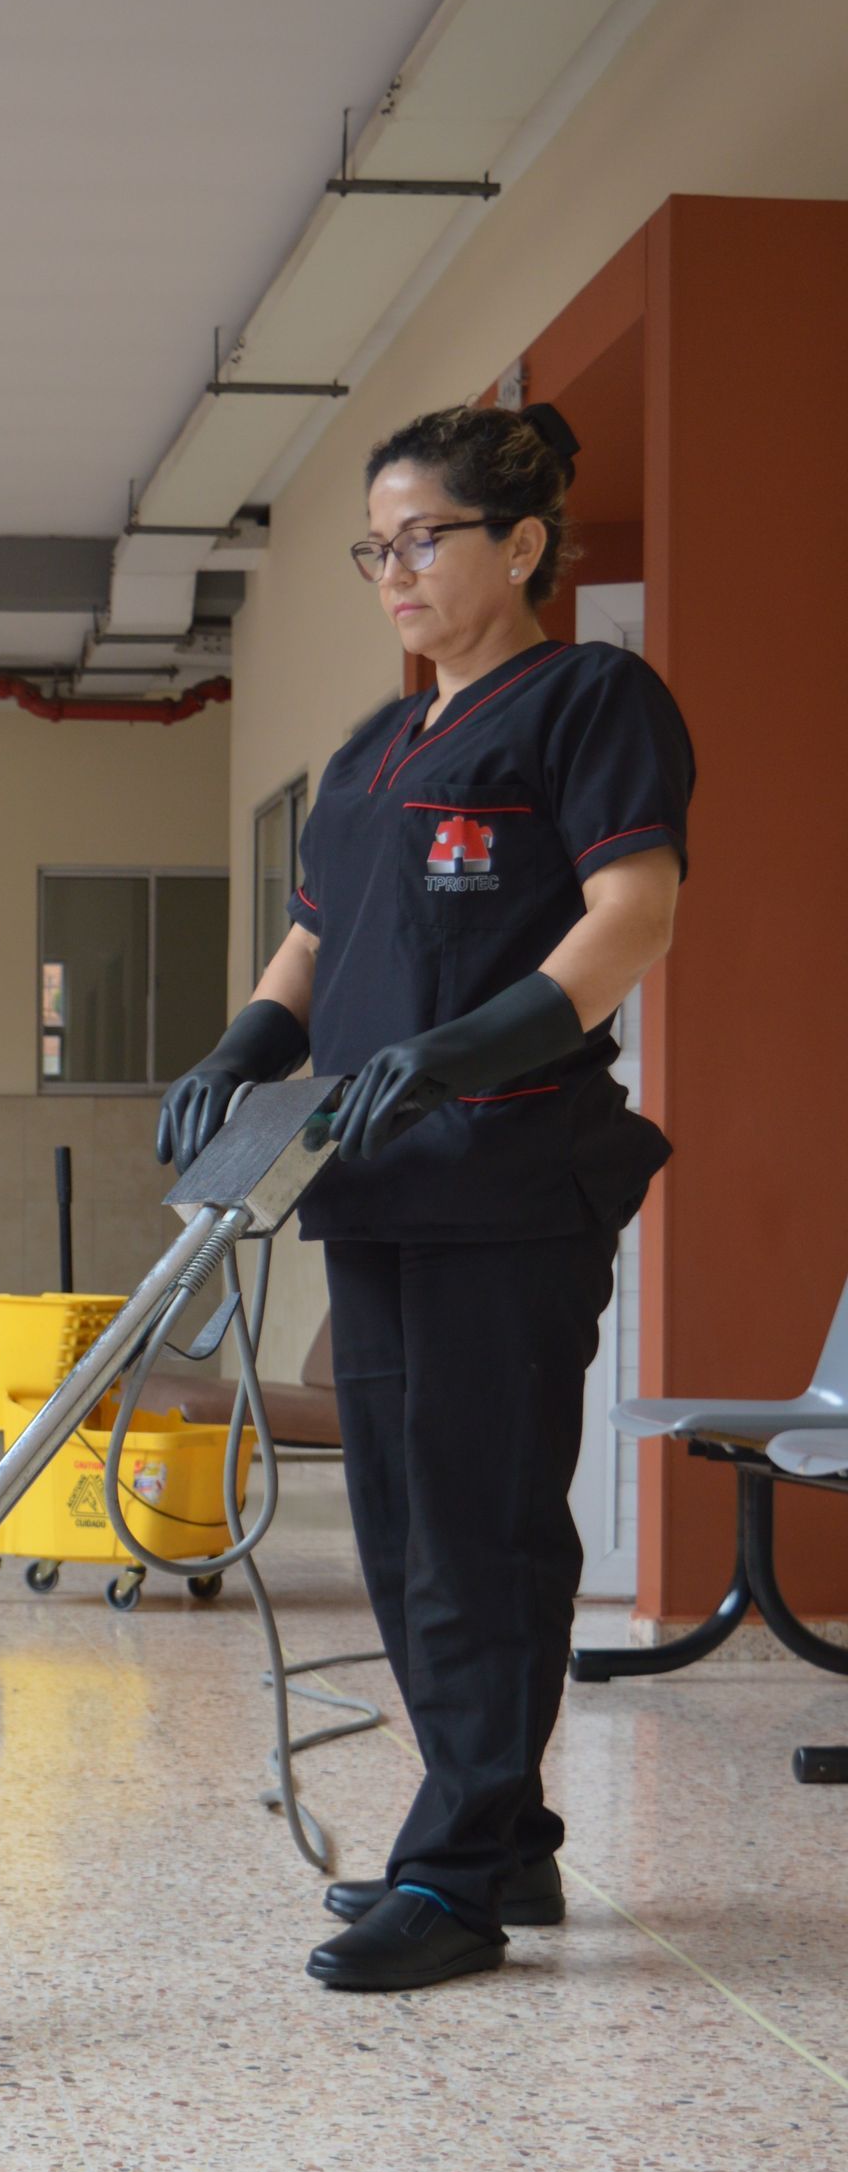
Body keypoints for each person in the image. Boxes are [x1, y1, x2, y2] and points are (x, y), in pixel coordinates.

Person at [158, 401, 691, 1992]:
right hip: (375, 1179)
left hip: (513, 1171)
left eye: (422, 540)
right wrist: (247, 1044)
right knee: (400, 1529)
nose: (393, 570)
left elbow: (633, 912)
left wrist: (468, 1048)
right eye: (373, 548)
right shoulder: (374, 752)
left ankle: (452, 1875)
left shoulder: (589, 702)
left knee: (481, 1528)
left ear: (519, 546)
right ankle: (504, 1838)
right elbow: (320, 944)